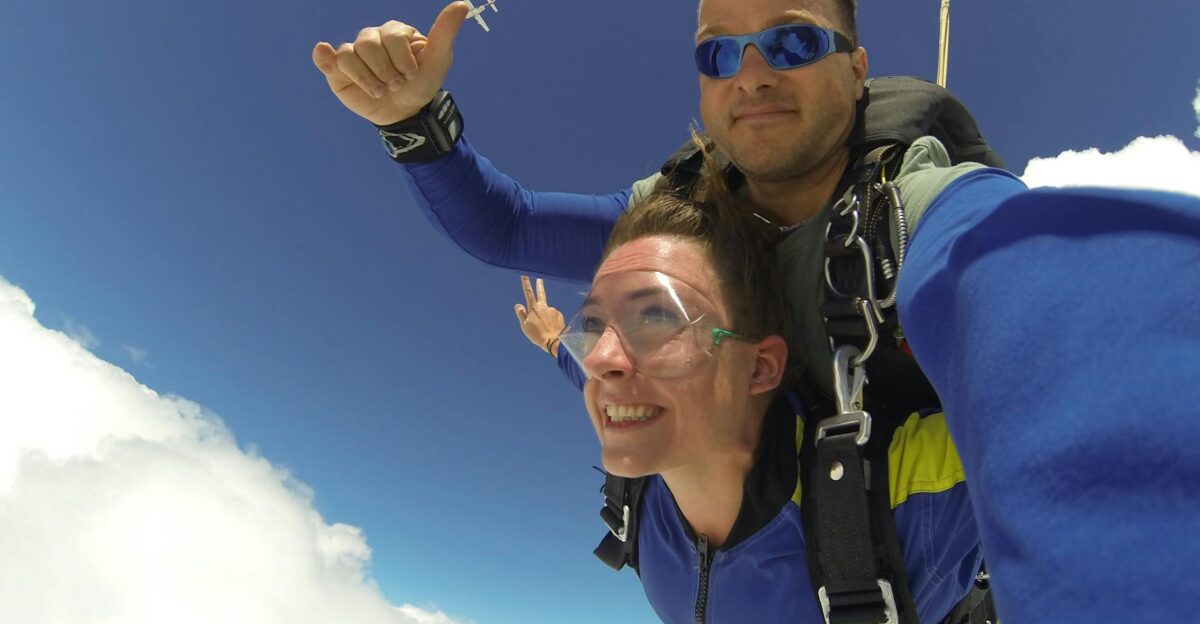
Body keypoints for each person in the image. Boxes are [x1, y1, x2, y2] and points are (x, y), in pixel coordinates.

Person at [313, 0, 1200, 621]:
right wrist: (414, 119)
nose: (750, 72)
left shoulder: (922, 211)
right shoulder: (677, 217)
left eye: (792, 41)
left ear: (858, 72)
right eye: (717, 50)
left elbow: (1063, 325)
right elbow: (510, 229)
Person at [529, 169, 979, 623]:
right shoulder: (641, 487)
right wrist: (553, 341)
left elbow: (1037, 420)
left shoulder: (904, 499)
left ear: (760, 367)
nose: (602, 359)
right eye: (590, 326)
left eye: (658, 317)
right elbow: (585, 372)